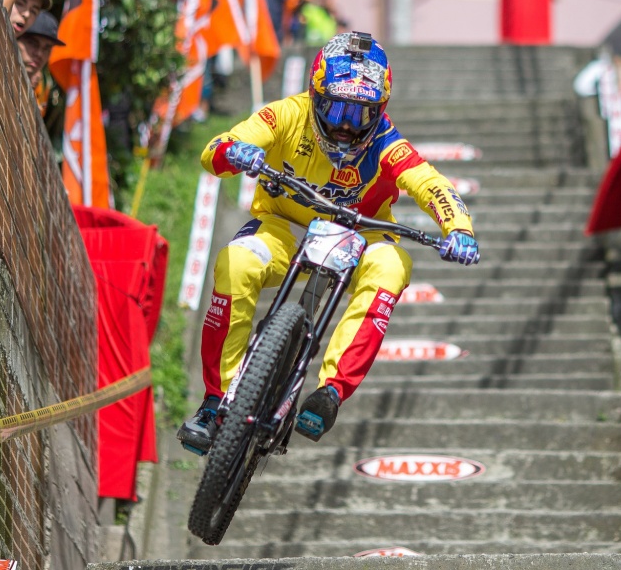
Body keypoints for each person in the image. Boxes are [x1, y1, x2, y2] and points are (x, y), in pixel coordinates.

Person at [177, 31, 481, 454]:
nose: (344, 126)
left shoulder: (388, 143)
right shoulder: (284, 114)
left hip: (361, 236)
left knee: (392, 266)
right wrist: (235, 152)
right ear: (315, 96)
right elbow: (216, 149)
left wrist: (459, 228)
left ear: (380, 112)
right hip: (283, 227)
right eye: (336, 108)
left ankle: (331, 392)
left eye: (360, 115)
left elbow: (430, 184)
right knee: (236, 262)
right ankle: (216, 402)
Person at [16, 11, 65, 110]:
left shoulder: (37, 97)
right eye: (33, 43)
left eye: (46, 48)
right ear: (16, 38)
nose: (39, 54)